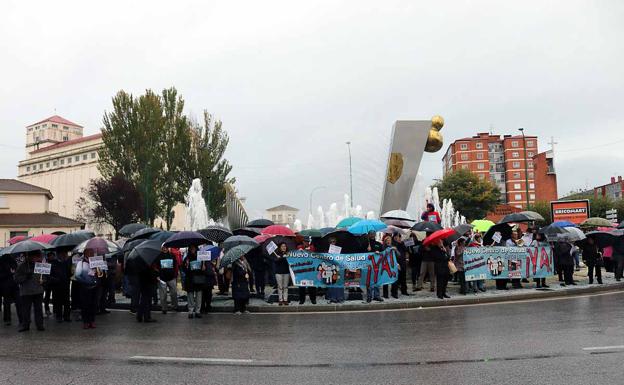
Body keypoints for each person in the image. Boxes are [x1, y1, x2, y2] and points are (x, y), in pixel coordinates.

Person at [14, 252, 45, 332]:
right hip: (26, 292)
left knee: (38, 309)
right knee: (26, 310)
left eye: (38, 256)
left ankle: (40, 324)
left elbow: (45, 277)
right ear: (30, 257)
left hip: (38, 291)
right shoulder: (22, 266)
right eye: (35, 256)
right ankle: (25, 325)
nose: (37, 258)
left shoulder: (41, 265)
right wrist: (26, 276)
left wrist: (44, 280)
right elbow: (16, 279)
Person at [74, 251, 99, 329]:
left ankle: (92, 321)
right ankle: (86, 322)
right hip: (85, 287)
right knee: (85, 305)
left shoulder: (95, 262)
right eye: (89, 252)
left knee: (94, 305)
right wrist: (86, 282)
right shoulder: (80, 263)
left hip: (95, 287)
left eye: (92, 252)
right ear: (85, 254)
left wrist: (99, 271)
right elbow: (77, 276)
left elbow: (100, 273)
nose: (91, 254)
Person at [49, 251, 72, 322]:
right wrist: (55, 279)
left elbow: (69, 273)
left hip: (65, 284)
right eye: (62, 254)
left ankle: (67, 316)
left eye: (65, 254)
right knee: (58, 301)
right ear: (58, 255)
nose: (64, 255)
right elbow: (49, 275)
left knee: (67, 301)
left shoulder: (66, 263)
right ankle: (59, 316)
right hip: (57, 285)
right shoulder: (53, 263)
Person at [183, 246, 205, 319]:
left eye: (194, 248)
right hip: (190, 279)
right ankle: (191, 311)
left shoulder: (201, 257)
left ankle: (198, 311)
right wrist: (186, 265)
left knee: (199, 296)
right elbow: (184, 269)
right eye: (191, 248)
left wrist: (203, 266)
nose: (193, 250)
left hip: (199, 279)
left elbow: (203, 269)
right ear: (189, 249)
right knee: (190, 296)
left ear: (196, 249)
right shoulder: (187, 258)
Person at [0, 254, 21, 326]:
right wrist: (10, 273)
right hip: (8, 286)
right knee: (13, 302)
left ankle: (8, 319)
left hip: (9, 286)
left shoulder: (12, 263)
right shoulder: (6, 264)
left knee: (8, 302)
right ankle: (19, 319)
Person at [158, 246, 178, 314]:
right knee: (163, 295)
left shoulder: (172, 255)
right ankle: (164, 308)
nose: (165, 249)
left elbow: (176, 265)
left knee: (174, 293)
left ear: (168, 248)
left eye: (166, 247)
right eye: (163, 248)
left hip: (171, 278)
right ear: (161, 248)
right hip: (162, 278)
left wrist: (175, 275)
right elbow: (155, 266)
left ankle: (175, 306)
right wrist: (157, 275)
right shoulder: (158, 256)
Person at [325, 238, 345, 304]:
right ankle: (332, 298)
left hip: (338, 269)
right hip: (330, 269)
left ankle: (340, 298)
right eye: (331, 242)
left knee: (339, 283)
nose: (332, 243)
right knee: (332, 283)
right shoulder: (326, 251)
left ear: (335, 242)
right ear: (329, 243)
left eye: (334, 241)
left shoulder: (339, 250)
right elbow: (325, 260)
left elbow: (343, 259)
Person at [391, 233, 409, 297]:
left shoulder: (402, 243)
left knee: (403, 278)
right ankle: (394, 292)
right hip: (396, 263)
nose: (397, 237)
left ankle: (404, 291)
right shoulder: (392, 244)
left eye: (398, 236)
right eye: (395, 236)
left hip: (403, 262)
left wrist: (401, 243)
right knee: (396, 278)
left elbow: (406, 250)